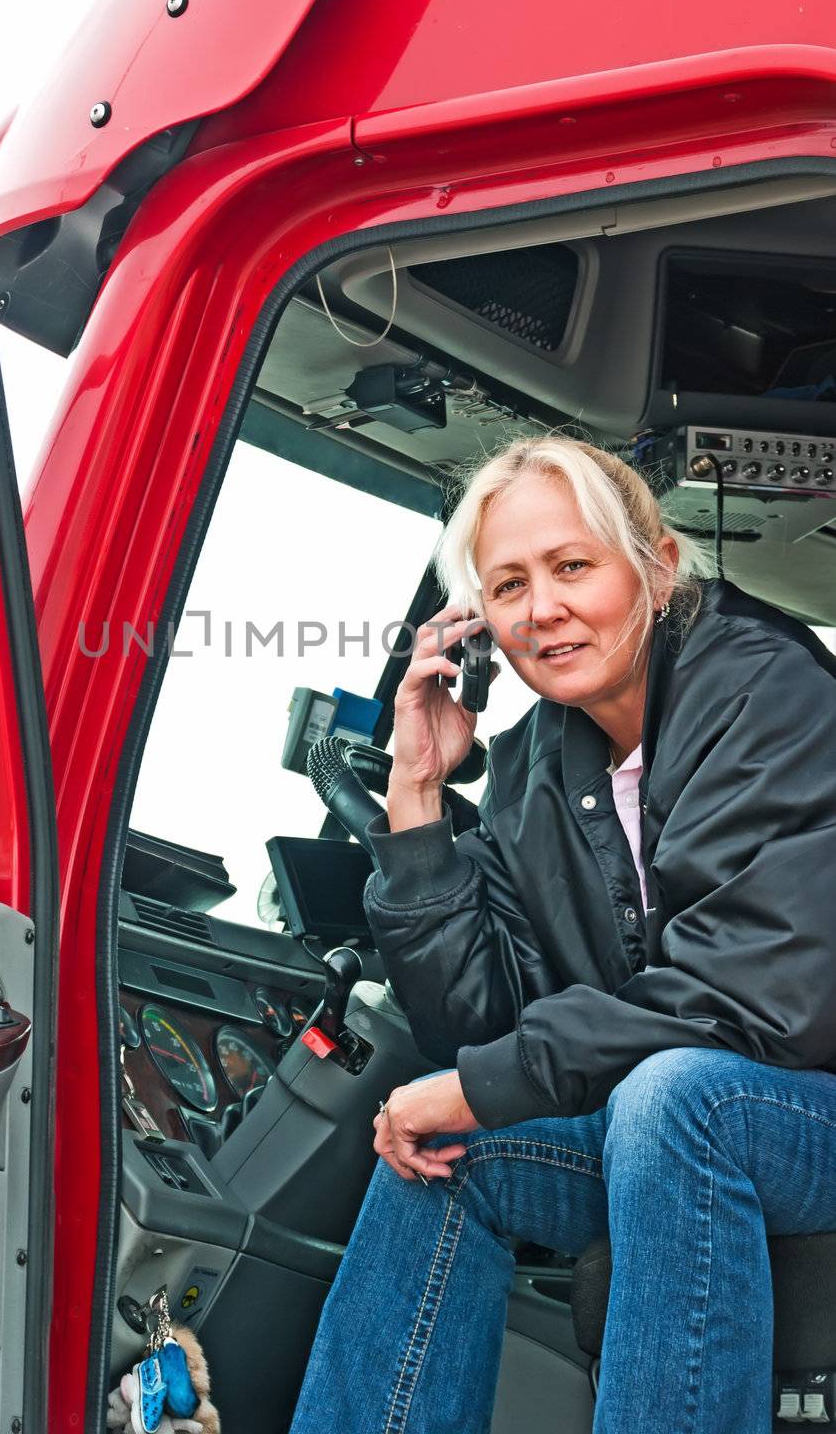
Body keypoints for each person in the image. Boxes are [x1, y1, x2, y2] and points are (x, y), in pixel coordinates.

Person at [289, 435, 836, 1434]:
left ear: (658, 567)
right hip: (669, 1119)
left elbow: (754, 1001)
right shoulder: (532, 760)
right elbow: (476, 1019)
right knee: (443, 1143)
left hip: (803, 1106)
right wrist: (416, 794)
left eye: (572, 566)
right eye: (509, 585)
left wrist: (485, 1079)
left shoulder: (764, 686)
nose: (542, 607)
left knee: (677, 1097)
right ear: (482, 627)